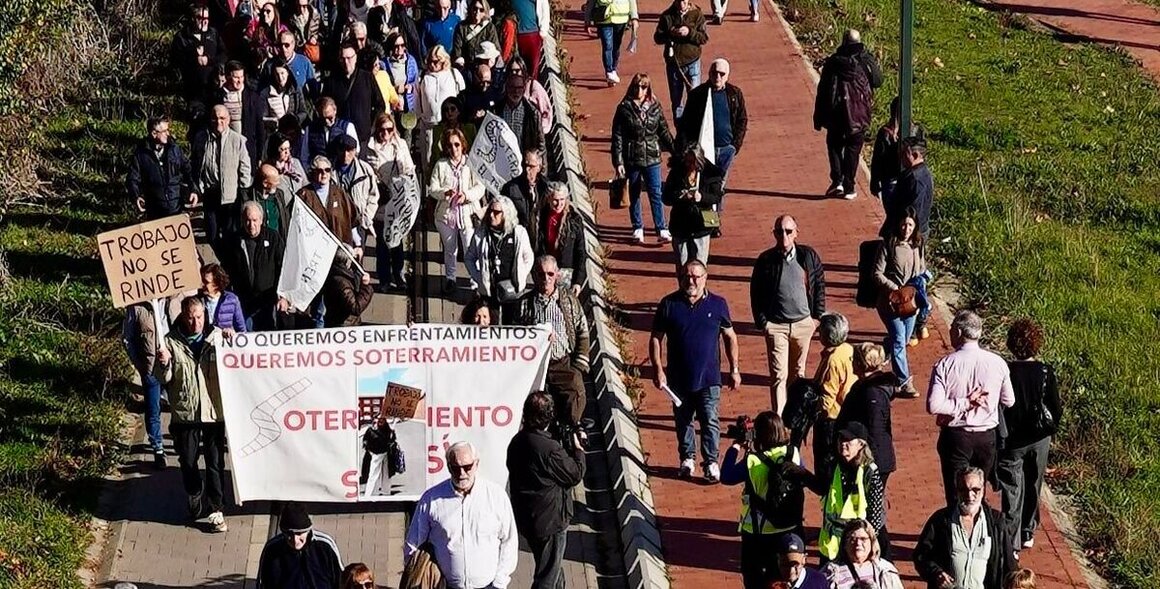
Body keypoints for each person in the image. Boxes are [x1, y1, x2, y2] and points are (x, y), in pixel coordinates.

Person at [649, 259, 741, 482]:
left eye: (696, 277)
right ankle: (687, 459)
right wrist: (658, 369)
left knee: (710, 419)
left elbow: (730, 336)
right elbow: (655, 338)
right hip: (678, 379)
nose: (691, 281)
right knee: (683, 420)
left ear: (705, 278)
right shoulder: (669, 304)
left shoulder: (718, 304)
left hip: (709, 377)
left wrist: (734, 368)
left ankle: (711, 462)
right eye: (686, 277)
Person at [927, 310, 1015, 508]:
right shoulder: (998, 363)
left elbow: (934, 405)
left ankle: (956, 532)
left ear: (958, 332)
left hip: (956, 437)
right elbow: (1009, 400)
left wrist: (964, 403)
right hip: (986, 438)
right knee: (978, 493)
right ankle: (979, 533)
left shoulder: (945, 365)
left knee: (955, 491)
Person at [405, 442, 519, 589]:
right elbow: (413, 543)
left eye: (467, 467)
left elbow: (509, 541)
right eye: (455, 468)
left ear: (476, 464)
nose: (462, 473)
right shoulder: (432, 499)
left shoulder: (496, 496)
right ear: (448, 467)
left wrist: (500, 582)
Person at [159, 297, 227, 532]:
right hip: (185, 413)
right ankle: (194, 492)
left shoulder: (217, 337)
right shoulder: (170, 342)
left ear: (205, 315)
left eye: (200, 317)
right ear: (183, 315)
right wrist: (165, 364)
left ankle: (216, 508)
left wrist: (232, 341)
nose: (196, 322)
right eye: (191, 317)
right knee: (187, 461)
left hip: (213, 412)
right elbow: (163, 379)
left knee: (215, 462)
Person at [506, 391, 586, 589]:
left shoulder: (517, 441)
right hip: (550, 521)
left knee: (553, 569)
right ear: (549, 416)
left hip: (528, 517)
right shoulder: (549, 449)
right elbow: (575, 474)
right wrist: (578, 450)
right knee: (547, 577)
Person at [719, 412, 805, 589]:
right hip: (791, 528)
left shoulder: (752, 461)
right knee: (787, 580)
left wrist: (736, 445)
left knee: (756, 582)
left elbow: (726, 476)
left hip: (758, 533)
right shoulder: (793, 453)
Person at [750, 214, 826, 415]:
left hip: (803, 325)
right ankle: (779, 422)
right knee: (778, 376)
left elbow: (819, 284)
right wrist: (764, 323)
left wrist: (816, 317)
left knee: (797, 375)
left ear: (796, 233)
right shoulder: (766, 260)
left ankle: (794, 417)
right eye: (779, 231)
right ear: (774, 234)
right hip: (777, 327)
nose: (783, 235)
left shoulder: (808, 257)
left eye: (788, 231)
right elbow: (755, 292)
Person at [998, 319, 1061, 553]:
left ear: (1011, 344)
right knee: (1034, 483)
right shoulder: (1045, 371)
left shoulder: (1005, 370)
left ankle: (1011, 541)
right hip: (1038, 438)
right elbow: (1055, 407)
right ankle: (1028, 530)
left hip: (1012, 440)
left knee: (1011, 489)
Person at [795, 422, 886, 563]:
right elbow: (822, 488)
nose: (843, 443)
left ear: (861, 444)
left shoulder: (870, 472)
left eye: (848, 440)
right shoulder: (833, 466)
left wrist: (866, 544)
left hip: (856, 546)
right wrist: (802, 474)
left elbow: (875, 517)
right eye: (841, 439)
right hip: (831, 544)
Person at [914, 467, 1016, 589]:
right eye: (963, 490)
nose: (969, 495)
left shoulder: (996, 522)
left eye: (975, 490)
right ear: (957, 491)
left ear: (983, 490)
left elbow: (1009, 565)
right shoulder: (941, 520)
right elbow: (921, 555)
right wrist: (936, 573)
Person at [518, 255, 590, 425]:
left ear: (557, 275)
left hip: (562, 362)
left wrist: (579, 365)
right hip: (533, 365)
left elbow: (583, 331)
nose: (546, 279)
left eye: (550, 274)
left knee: (575, 388)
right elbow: (515, 334)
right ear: (534, 275)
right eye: (541, 274)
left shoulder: (569, 301)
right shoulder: (524, 304)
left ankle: (573, 429)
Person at [813, 29, 883, 200]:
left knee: (835, 146)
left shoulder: (833, 62)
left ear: (843, 42)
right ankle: (849, 186)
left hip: (836, 116)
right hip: (859, 116)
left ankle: (837, 181)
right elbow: (878, 80)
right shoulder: (865, 60)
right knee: (853, 150)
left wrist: (818, 117)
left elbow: (823, 91)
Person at [611, 73, 674, 245]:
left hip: (652, 157)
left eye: (644, 87)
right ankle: (637, 227)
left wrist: (676, 152)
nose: (640, 90)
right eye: (637, 86)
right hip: (632, 158)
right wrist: (618, 162)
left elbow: (663, 131)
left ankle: (661, 228)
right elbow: (617, 137)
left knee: (655, 192)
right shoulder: (624, 108)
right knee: (634, 193)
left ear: (648, 88)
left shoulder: (655, 107)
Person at [677, 58, 747, 204]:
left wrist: (735, 145)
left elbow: (742, 120)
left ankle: (714, 218)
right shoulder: (698, 95)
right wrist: (685, 147)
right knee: (702, 184)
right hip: (703, 150)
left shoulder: (735, 94)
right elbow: (686, 123)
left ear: (727, 76)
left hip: (726, 149)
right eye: (714, 73)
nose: (718, 77)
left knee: (719, 185)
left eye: (722, 74)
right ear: (709, 73)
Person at [873, 211, 925, 397]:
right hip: (891, 303)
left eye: (910, 225)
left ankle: (885, 349)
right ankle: (903, 382)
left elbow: (921, 269)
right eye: (904, 224)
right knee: (899, 340)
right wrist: (895, 288)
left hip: (911, 303)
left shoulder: (917, 245)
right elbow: (877, 273)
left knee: (902, 339)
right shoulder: (889, 245)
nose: (907, 229)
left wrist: (921, 284)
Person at [428, 128, 486, 293]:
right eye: (450, 145)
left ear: (463, 145)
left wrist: (466, 195)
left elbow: (480, 187)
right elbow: (432, 188)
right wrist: (444, 193)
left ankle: (475, 282)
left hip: (467, 215)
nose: (454, 149)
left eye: (457, 145)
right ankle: (450, 278)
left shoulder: (471, 164)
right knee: (450, 249)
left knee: (470, 248)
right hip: (446, 215)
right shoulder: (441, 165)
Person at [365, 112, 418, 291]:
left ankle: (399, 274)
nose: (386, 134)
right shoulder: (368, 147)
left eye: (389, 129)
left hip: (396, 201)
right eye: (382, 130)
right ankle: (384, 279)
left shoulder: (400, 145)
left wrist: (403, 169)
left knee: (396, 241)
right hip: (379, 201)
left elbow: (409, 170)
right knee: (381, 243)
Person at [836, 343, 897, 490]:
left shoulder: (872, 394)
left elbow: (874, 429)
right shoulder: (863, 386)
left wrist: (867, 459)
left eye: (853, 359)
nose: (851, 362)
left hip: (871, 459)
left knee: (869, 506)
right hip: (864, 455)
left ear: (861, 363)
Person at [192, 104, 253, 248]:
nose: (218, 121)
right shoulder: (201, 138)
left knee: (229, 236)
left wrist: (243, 192)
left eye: (222, 118)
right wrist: (197, 186)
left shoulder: (238, 140)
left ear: (228, 119)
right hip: (209, 193)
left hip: (230, 196)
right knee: (211, 235)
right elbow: (195, 162)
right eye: (215, 118)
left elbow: (245, 167)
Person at [466, 196, 535, 322]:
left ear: (506, 214)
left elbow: (528, 257)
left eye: (497, 212)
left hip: (512, 289)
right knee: (491, 323)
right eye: (490, 211)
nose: (492, 215)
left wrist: (522, 274)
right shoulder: (481, 233)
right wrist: (477, 276)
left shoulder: (518, 233)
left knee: (511, 323)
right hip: (489, 290)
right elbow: (469, 258)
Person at [222, 201, 286, 331]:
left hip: (267, 302)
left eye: (255, 220)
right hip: (244, 302)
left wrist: (283, 296)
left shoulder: (273, 238)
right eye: (247, 220)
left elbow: (283, 268)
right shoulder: (234, 241)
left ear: (261, 220)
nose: (251, 225)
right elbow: (226, 272)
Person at [662, 143, 723, 268]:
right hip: (681, 224)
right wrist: (680, 196)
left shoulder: (711, 173)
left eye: (693, 162)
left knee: (699, 266)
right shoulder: (676, 172)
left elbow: (716, 197)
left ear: (699, 160)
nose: (689, 165)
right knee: (682, 266)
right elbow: (666, 197)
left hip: (702, 224)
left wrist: (701, 197)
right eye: (687, 161)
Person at [122, 301, 168, 468]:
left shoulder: (173, 299)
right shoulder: (136, 307)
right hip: (150, 368)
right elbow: (128, 339)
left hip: (175, 365)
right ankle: (158, 449)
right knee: (153, 408)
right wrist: (140, 365)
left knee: (180, 406)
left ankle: (181, 443)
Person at [256, 502, 344, 588]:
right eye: (289, 534)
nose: (295, 540)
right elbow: (263, 582)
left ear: (308, 530)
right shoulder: (272, 548)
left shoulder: (325, 546)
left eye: (299, 534)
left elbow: (341, 579)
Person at [811, 312, 856, 479]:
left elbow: (827, 397)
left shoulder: (833, 361)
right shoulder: (848, 349)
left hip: (831, 419)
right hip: (846, 413)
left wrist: (815, 414)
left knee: (825, 465)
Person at [127, 116, 198, 220]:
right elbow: (132, 178)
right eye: (164, 131)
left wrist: (193, 190)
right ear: (154, 133)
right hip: (155, 212)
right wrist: (136, 196)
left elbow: (188, 171)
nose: (168, 134)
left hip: (176, 209)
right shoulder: (141, 154)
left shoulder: (175, 150)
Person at [324, 41, 387, 145]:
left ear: (356, 58)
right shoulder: (331, 81)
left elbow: (380, 105)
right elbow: (325, 106)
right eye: (342, 59)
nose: (346, 62)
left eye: (349, 58)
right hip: (341, 137)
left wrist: (372, 126)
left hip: (364, 136)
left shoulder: (367, 77)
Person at [653, 0, 707, 118]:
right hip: (674, 65)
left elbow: (703, 38)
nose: (681, 4)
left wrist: (689, 32)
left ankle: (693, 130)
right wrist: (670, 33)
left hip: (693, 62)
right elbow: (657, 38)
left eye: (683, 1)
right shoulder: (667, 16)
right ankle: (680, 132)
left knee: (695, 99)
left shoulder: (697, 14)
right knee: (677, 102)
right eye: (678, 1)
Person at [416, 45, 466, 172]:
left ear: (444, 60)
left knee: (452, 163)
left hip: (450, 128)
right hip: (429, 127)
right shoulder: (423, 76)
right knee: (429, 165)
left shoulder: (454, 74)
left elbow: (462, 99)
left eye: (436, 61)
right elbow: (417, 101)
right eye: (429, 61)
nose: (432, 65)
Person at [298, 155, 363, 252]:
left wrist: (358, 245)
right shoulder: (304, 195)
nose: (324, 173)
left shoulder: (340, 193)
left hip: (339, 250)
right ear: (313, 173)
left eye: (327, 170)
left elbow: (351, 221)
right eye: (319, 171)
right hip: (314, 252)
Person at [329, 134, 380, 251]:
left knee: (358, 258)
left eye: (349, 150)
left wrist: (366, 217)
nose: (346, 155)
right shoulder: (330, 171)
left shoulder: (365, 170)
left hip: (359, 222)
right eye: (342, 150)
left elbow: (373, 195)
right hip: (338, 224)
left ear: (355, 151)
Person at [213, 60, 266, 170]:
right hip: (225, 146)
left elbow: (259, 126)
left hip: (246, 146)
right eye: (236, 77)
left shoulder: (252, 97)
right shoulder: (218, 96)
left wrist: (260, 154)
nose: (239, 81)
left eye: (241, 77)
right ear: (228, 76)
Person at [536, 182, 588, 295]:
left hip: (565, 274)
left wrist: (578, 282)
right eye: (555, 200)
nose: (559, 204)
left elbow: (581, 252)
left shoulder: (574, 220)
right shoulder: (540, 216)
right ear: (549, 198)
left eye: (562, 200)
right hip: (545, 271)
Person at [880, 133, 933, 241]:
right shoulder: (920, 173)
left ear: (915, 155)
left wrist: (904, 234)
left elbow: (915, 211)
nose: (901, 157)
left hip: (909, 235)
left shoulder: (916, 179)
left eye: (904, 154)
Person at [822, 519, 904, 589]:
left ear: (872, 543)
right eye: (852, 539)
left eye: (863, 539)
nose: (858, 543)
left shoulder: (885, 571)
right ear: (844, 544)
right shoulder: (830, 572)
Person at [171, 5, 225, 109]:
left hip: (213, 87)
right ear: (192, 18)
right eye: (200, 18)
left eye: (207, 18)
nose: (204, 21)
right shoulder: (182, 37)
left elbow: (223, 54)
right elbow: (175, 60)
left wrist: (209, 60)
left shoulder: (213, 34)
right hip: (193, 89)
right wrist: (194, 60)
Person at [501, 148, 549, 244]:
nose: (527, 170)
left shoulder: (546, 188)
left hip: (541, 241)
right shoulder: (511, 188)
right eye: (525, 165)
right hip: (519, 240)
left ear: (539, 167)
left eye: (531, 166)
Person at [585, 0, 639, 85]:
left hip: (621, 19)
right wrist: (587, 20)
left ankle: (613, 69)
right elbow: (591, 2)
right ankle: (609, 71)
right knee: (607, 45)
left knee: (616, 47)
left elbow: (631, 1)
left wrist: (634, 18)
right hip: (603, 18)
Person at [300, 96, 359, 169]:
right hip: (318, 173)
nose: (326, 121)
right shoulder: (310, 129)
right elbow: (304, 156)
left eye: (330, 117)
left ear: (335, 110)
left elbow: (356, 152)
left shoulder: (347, 127)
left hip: (340, 172)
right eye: (322, 118)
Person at [494, 73, 545, 153]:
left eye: (519, 88)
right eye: (512, 87)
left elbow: (541, 145)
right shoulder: (496, 110)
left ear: (524, 89)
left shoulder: (532, 113)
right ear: (506, 88)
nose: (516, 91)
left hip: (523, 160)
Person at [241, 164, 293, 242]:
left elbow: (285, 221)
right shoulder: (246, 196)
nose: (277, 185)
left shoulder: (279, 195)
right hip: (258, 243)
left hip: (277, 243)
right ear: (265, 183)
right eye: (274, 183)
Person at [505, 57, 553, 135]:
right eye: (511, 71)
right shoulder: (505, 87)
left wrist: (540, 130)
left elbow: (546, 111)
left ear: (523, 70)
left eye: (517, 71)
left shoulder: (533, 87)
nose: (514, 74)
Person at [323, 255, 374, 326]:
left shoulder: (338, 274)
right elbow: (356, 308)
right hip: (344, 325)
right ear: (347, 261)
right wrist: (366, 287)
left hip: (345, 323)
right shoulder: (342, 283)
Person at [869, 96, 902, 206]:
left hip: (889, 180)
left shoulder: (884, 132)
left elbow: (877, 159)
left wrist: (874, 181)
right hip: (908, 179)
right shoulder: (917, 130)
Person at [261, 58, 309, 131]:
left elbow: (303, 112)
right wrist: (274, 122)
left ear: (288, 73)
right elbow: (263, 116)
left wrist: (294, 120)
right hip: (276, 132)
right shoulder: (266, 93)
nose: (280, 78)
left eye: (282, 73)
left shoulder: (296, 89)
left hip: (294, 130)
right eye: (277, 74)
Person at [199, 263, 247, 334]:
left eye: (206, 282)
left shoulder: (232, 300)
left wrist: (231, 332)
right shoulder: (197, 301)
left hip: (224, 343)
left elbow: (242, 331)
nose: (202, 284)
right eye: (201, 281)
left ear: (217, 284)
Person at [452, 0, 500, 68]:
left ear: (485, 12)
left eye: (481, 10)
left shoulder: (489, 27)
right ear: (470, 9)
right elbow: (457, 50)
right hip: (467, 67)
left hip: (485, 66)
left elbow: (496, 48)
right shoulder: (461, 27)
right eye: (475, 8)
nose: (477, 12)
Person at [430, 96, 479, 162]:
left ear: (459, 111)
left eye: (452, 109)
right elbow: (434, 153)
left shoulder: (469, 128)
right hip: (444, 163)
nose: (449, 112)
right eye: (446, 110)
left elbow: (475, 151)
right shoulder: (438, 130)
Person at [509, 0, 549, 76]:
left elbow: (545, 8)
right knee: (515, 68)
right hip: (514, 34)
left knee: (532, 70)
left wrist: (543, 31)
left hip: (532, 35)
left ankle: (530, 86)